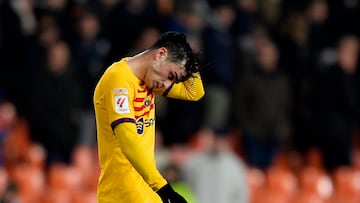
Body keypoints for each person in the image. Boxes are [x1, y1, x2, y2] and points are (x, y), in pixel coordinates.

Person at [93, 31, 205, 203]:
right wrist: (163, 187)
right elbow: (127, 139)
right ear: (160, 54)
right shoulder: (118, 80)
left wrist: (188, 54)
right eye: (171, 76)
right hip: (121, 194)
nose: (167, 84)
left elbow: (195, 92)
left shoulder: (148, 81)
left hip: (145, 192)